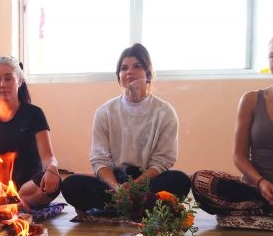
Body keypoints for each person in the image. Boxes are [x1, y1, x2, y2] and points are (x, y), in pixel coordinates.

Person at [61, 43, 191, 214]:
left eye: (137, 66)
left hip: (147, 181)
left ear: (148, 73)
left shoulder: (164, 112)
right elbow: (100, 160)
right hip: (115, 183)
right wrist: (117, 188)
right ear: (119, 76)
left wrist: (135, 186)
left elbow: (163, 160)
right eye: (124, 68)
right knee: (71, 184)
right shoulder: (105, 112)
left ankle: (117, 208)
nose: (129, 72)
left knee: (180, 180)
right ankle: (136, 208)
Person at [192, 38, 273, 216]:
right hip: (255, 188)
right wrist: (260, 182)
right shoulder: (252, 99)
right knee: (202, 180)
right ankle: (260, 204)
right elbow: (239, 156)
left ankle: (258, 208)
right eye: (272, 56)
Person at [0, 56, 61, 209]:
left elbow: (48, 157)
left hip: (30, 186)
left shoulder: (34, 113)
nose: (2, 85)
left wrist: (52, 169)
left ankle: (11, 203)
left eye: (8, 79)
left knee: (55, 183)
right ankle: (12, 204)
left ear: (19, 81)